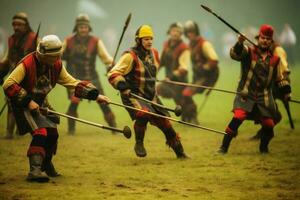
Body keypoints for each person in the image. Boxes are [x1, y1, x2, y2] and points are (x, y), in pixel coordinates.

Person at [3, 35, 111, 182]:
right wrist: (28, 102)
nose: (57, 59)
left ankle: (46, 165)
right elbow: (8, 84)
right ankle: (34, 171)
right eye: (54, 56)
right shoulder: (27, 64)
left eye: (58, 56)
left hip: (41, 103)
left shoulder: (56, 65)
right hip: (22, 104)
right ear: (44, 55)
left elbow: (71, 82)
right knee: (41, 132)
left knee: (53, 134)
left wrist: (96, 96)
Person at [107, 25, 188, 159]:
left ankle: (180, 153)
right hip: (133, 95)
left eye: (151, 39)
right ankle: (139, 143)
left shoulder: (154, 53)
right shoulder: (130, 56)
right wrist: (122, 86)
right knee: (143, 113)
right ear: (139, 40)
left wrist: (170, 77)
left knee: (165, 124)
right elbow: (113, 74)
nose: (149, 42)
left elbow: (155, 70)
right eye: (146, 39)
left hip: (151, 96)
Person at [218, 24, 291, 154]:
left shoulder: (275, 60)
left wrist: (287, 93)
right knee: (238, 117)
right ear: (258, 38)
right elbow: (235, 54)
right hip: (246, 96)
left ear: (271, 42)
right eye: (263, 38)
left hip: (264, 98)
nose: (265, 41)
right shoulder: (248, 52)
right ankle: (223, 147)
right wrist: (239, 42)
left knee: (269, 125)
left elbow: (280, 79)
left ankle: (263, 149)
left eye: (268, 39)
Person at [62, 14, 117, 134]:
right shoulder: (68, 41)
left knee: (103, 102)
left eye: (85, 27)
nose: (83, 29)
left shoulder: (96, 41)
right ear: (76, 28)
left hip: (92, 77)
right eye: (81, 27)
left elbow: (106, 58)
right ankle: (71, 130)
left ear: (89, 28)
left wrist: (112, 66)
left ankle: (114, 128)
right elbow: (57, 56)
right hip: (75, 79)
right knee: (74, 102)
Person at [0, 12, 38, 139]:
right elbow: (7, 58)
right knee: (12, 102)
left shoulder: (35, 38)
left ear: (26, 25)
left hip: (31, 77)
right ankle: (9, 132)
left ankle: (26, 130)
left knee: (32, 103)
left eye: (19, 24)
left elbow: (42, 57)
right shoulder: (11, 39)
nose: (16, 27)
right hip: (14, 76)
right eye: (14, 24)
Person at [250, 34, 291, 140]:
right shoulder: (264, 51)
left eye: (266, 39)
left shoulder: (277, 50)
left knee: (270, 111)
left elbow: (283, 69)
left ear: (270, 41)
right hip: (269, 83)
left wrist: (285, 90)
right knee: (266, 109)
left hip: (279, 83)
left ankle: (264, 131)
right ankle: (264, 130)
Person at [182, 20, 219, 123]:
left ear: (196, 32)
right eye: (187, 32)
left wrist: (203, 68)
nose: (190, 35)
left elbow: (214, 61)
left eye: (192, 32)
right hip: (197, 76)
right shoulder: (190, 44)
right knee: (183, 93)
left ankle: (193, 116)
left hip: (207, 77)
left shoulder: (204, 44)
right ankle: (187, 116)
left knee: (186, 93)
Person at [156, 22, 191, 122]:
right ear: (169, 32)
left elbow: (183, 69)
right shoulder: (166, 44)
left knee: (181, 101)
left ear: (181, 34)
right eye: (173, 31)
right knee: (156, 91)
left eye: (178, 32)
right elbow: (160, 62)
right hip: (169, 80)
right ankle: (162, 116)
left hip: (179, 81)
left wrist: (170, 77)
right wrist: (153, 73)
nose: (175, 33)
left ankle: (189, 118)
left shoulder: (184, 48)